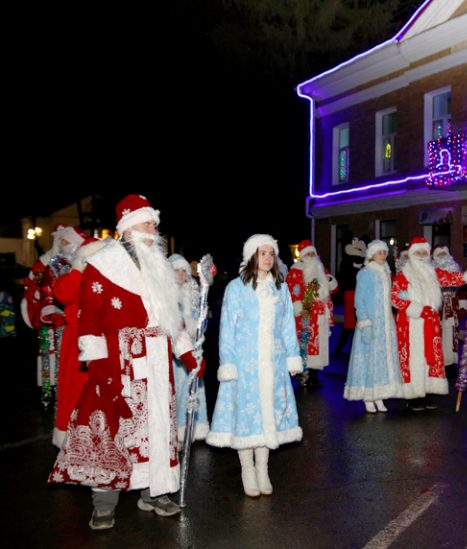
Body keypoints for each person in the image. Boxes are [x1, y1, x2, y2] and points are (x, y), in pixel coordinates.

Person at [48, 194, 204, 530]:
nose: (154, 228)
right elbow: (89, 321)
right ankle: (104, 503)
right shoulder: (103, 264)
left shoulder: (158, 264)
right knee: (114, 433)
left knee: (157, 431)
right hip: (119, 364)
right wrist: (101, 369)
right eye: (148, 222)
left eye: (154, 223)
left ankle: (154, 491)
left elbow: (170, 317)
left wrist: (188, 354)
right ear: (130, 226)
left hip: (158, 362)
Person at [206, 234, 303, 497]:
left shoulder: (280, 288)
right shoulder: (236, 288)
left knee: (267, 415)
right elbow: (227, 329)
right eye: (263, 253)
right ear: (252, 256)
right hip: (245, 364)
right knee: (247, 419)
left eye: (271, 253)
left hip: (274, 361)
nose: (268, 258)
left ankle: (263, 468)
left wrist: (293, 358)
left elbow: (287, 327)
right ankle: (247, 469)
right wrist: (228, 364)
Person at [391, 237, 467, 411]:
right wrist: (416, 309)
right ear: (411, 254)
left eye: (424, 252)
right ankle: (413, 396)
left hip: (430, 322)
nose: (422, 255)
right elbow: (395, 297)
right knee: (413, 359)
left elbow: (452, 278)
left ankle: (428, 391)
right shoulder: (404, 274)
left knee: (430, 356)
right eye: (418, 252)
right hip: (411, 324)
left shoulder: (434, 272)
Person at [50, 236, 108, 448]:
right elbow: (62, 294)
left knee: (101, 394)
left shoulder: (109, 278)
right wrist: (77, 269)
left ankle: (100, 436)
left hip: (104, 341)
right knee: (75, 392)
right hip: (76, 344)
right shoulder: (77, 277)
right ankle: (72, 437)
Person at [21, 225, 84, 407]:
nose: (65, 244)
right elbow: (38, 285)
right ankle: (50, 394)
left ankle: (71, 394)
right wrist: (46, 307)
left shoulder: (82, 262)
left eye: (68, 241)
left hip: (75, 320)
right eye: (62, 241)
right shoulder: (49, 262)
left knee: (71, 362)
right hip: (53, 319)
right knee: (51, 357)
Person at [344, 240, 403, 413]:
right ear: (371, 255)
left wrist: (405, 296)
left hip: (385, 324)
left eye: (384, 253)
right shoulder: (365, 273)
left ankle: (379, 395)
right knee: (369, 359)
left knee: (382, 361)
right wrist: (364, 322)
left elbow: (390, 296)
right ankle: (368, 396)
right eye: (379, 253)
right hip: (371, 323)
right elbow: (359, 300)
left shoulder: (386, 273)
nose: (383, 256)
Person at [168, 254, 210, 441]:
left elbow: (200, 324)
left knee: (192, 387)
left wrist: (201, 319)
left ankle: (195, 427)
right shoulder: (167, 296)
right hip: (175, 354)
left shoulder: (193, 294)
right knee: (176, 389)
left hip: (192, 347)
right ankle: (176, 429)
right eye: (176, 270)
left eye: (184, 271)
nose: (181, 274)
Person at [286, 240, 338, 387]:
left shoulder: (321, 270)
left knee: (319, 344)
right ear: (302, 256)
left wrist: (330, 281)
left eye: (312, 253)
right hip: (306, 310)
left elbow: (333, 289)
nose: (310, 256)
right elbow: (293, 290)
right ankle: (303, 375)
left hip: (321, 313)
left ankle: (314, 374)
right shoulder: (296, 272)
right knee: (305, 342)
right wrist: (297, 306)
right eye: (307, 254)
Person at [432, 245, 467, 369]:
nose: (442, 257)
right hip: (436, 305)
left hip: (452, 304)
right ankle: (437, 361)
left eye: (444, 254)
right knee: (437, 332)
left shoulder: (455, 269)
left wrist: (463, 306)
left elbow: (462, 290)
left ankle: (450, 361)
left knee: (452, 333)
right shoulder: (431, 270)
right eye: (439, 255)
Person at [334, 237, 366, 356]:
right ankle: (342, 348)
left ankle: (352, 348)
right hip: (351, 292)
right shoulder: (347, 262)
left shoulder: (362, 261)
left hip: (359, 292)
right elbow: (344, 277)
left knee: (357, 321)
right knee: (350, 323)